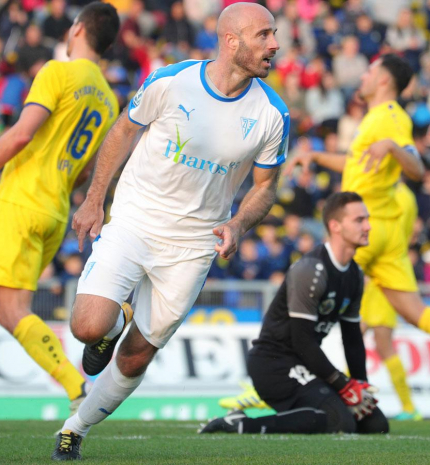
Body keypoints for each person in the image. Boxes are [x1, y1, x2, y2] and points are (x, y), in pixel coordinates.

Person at [51, 2, 288, 461]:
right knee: (87, 326)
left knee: (137, 354)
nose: (275, 44)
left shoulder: (272, 113)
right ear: (231, 40)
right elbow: (124, 130)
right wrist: (95, 198)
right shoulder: (172, 80)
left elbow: (265, 187)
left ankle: (74, 429)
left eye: (274, 34)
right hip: (135, 220)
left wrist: (238, 222)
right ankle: (111, 326)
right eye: (264, 35)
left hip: (194, 246)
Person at [0, 2, 120, 417]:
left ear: (77, 29)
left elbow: (20, 135)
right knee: (12, 309)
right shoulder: (108, 101)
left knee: (11, 310)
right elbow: (87, 171)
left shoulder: (57, 72)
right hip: (54, 212)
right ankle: (76, 386)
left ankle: (75, 385)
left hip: (20, 199)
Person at [200, 192, 389, 435]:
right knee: (339, 422)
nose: (368, 226)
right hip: (274, 364)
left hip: (306, 364)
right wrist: (343, 385)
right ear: (335, 226)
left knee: (375, 425)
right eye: (359, 220)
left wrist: (360, 385)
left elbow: (352, 338)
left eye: (367, 219)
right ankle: (239, 423)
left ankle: (293, 408)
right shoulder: (311, 269)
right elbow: (302, 341)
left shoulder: (355, 275)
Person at [285, 54, 430, 336]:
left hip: (361, 226)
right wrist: (316, 156)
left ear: (383, 80)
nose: (363, 77)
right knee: (416, 312)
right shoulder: (375, 117)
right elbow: (354, 162)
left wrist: (392, 147)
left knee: (305, 294)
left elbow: (416, 167)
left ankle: (280, 362)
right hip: (382, 229)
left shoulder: (391, 117)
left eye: (369, 72)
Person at [360, 182, 421, 421]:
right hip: (380, 276)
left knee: (382, 344)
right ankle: (343, 394)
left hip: (385, 277)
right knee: (356, 337)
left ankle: (409, 407)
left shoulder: (395, 194)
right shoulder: (404, 195)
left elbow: (386, 234)